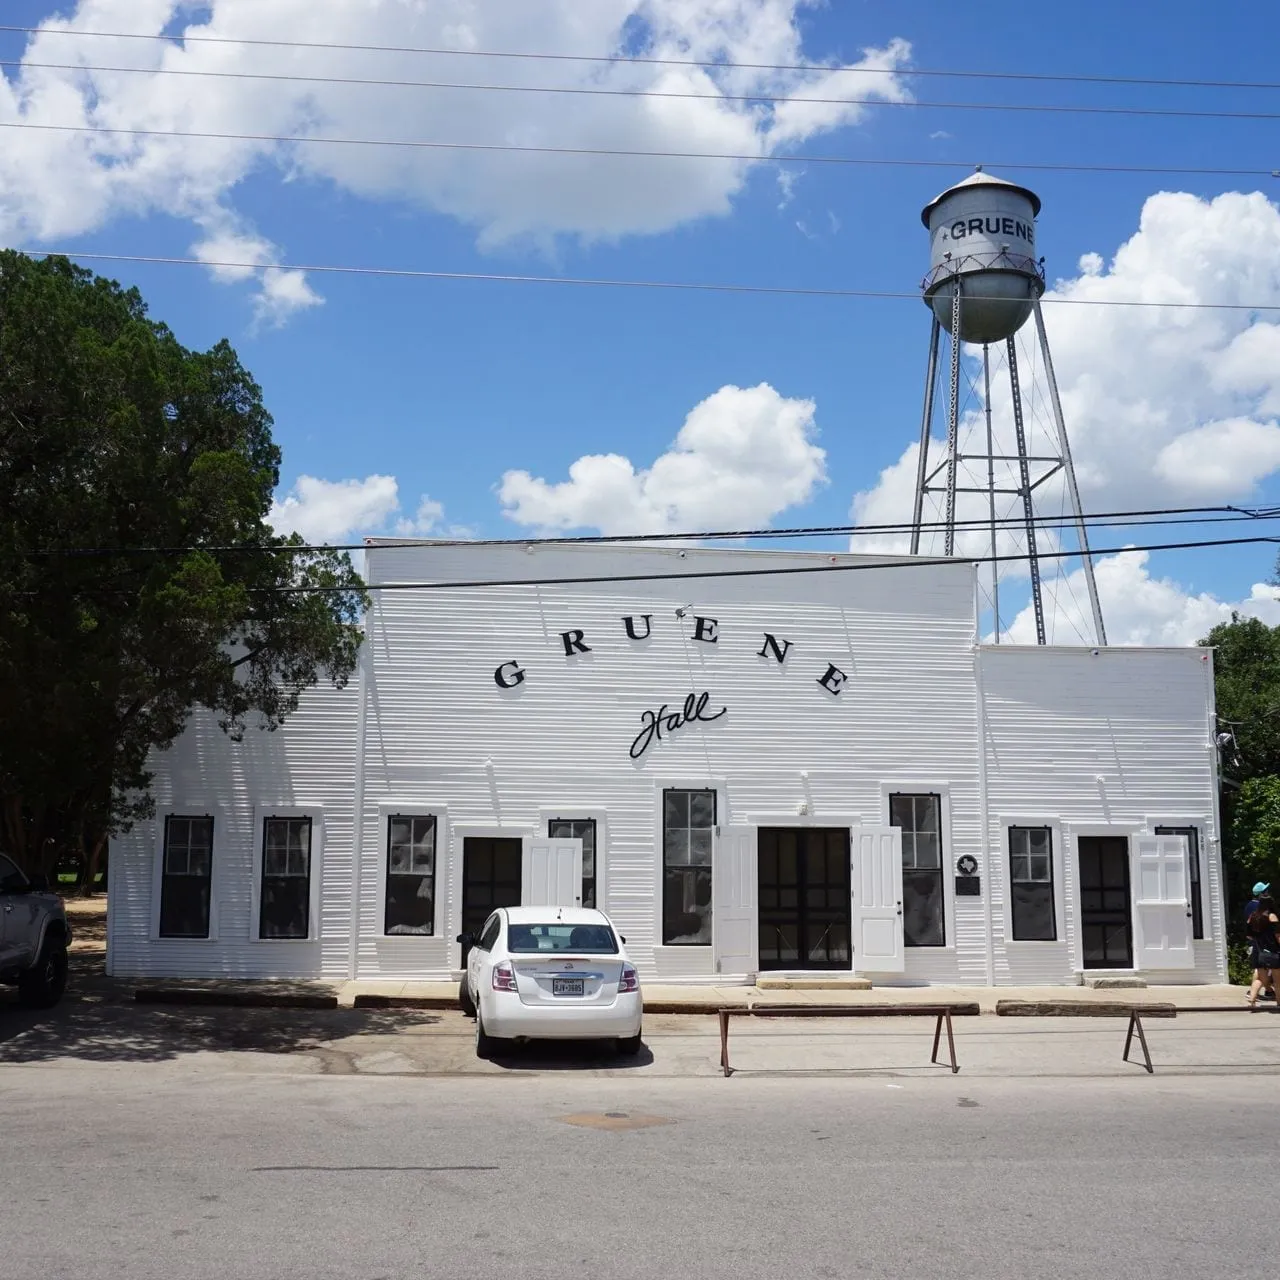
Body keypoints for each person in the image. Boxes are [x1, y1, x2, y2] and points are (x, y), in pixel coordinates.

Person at [1246, 893, 1280, 1011]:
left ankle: (1252, 1001)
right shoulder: (1272, 916)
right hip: (1273, 951)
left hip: (1259, 950)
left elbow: (1249, 936)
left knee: (1260, 978)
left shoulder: (1253, 916)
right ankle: (1279, 1004)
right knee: (1277, 980)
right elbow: (1277, 936)